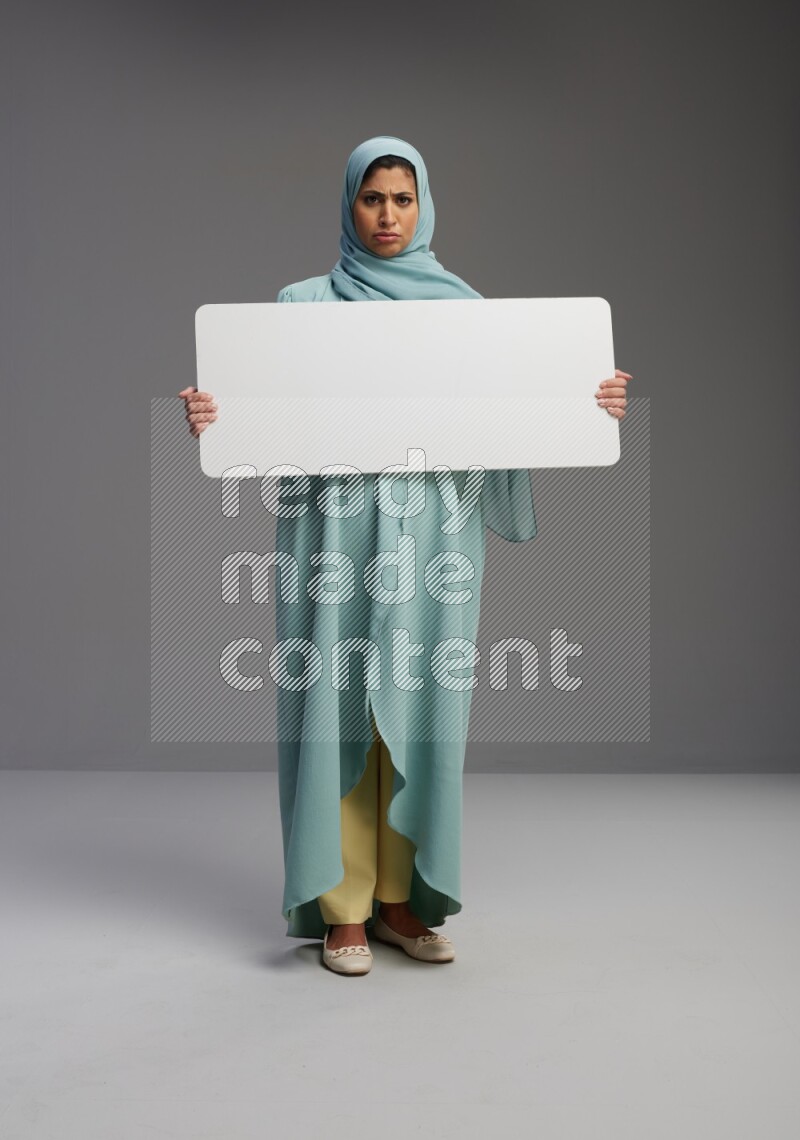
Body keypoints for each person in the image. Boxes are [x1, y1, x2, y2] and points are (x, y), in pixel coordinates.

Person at [179, 135, 630, 977]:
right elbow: (263, 425)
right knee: (339, 706)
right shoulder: (301, 304)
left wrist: (587, 401)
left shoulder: (464, 310)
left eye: (403, 199)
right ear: (348, 206)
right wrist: (216, 418)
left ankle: (401, 902)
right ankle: (342, 908)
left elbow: (512, 420)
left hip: (434, 539)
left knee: (418, 714)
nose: (387, 216)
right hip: (336, 536)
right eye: (371, 198)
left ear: (424, 208)